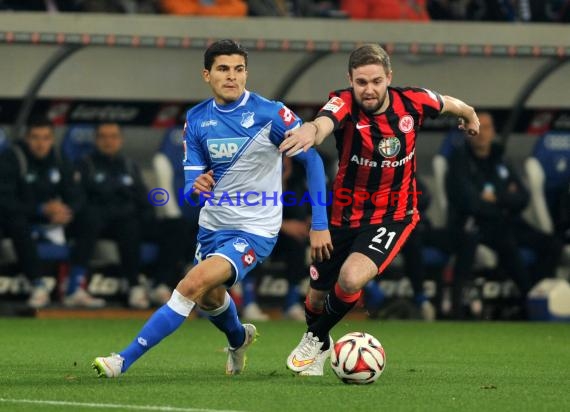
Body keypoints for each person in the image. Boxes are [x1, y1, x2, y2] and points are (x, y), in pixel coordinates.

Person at [92, 39, 332, 378]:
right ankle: (239, 338)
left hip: (255, 229)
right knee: (209, 298)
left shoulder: (270, 114)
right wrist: (197, 186)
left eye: (238, 69)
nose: (232, 76)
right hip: (213, 227)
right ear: (207, 75)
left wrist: (319, 223)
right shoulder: (196, 118)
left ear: (246, 73)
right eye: (223, 69)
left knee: (191, 285)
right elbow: (190, 187)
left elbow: (314, 162)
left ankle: (121, 361)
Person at [279, 43, 479, 376]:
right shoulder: (343, 102)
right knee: (315, 299)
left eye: (375, 81)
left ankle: (314, 338)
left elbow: (450, 104)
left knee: (351, 277)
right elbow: (324, 122)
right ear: (350, 80)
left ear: (389, 77)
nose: (368, 89)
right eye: (361, 82)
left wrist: (470, 114)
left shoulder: (413, 101)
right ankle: (320, 342)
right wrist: (310, 131)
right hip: (343, 215)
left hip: (393, 215)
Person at [0, 119, 104, 308]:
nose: (41, 144)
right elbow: (5, 200)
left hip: (55, 217)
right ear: (26, 138)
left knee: (90, 217)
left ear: (52, 139)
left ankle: (74, 287)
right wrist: (40, 209)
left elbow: (76, 193)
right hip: (24, 215)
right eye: (35, 138)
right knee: (15, 221)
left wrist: (67, 210)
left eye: (46, 138)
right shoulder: (12, 157)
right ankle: (38, 286)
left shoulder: (59, 157)